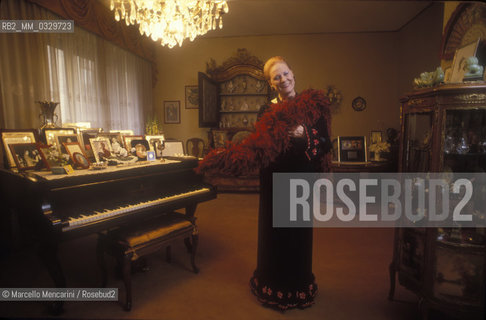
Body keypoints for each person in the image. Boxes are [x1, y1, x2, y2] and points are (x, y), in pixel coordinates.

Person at [196, 56, 332, 310]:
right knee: (273, 233)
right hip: (272, 178)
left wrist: (306, 135)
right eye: (276, 77)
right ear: (271, 84)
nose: (283, 79)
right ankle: (272, 282)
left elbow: (325, 144)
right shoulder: (265, 111)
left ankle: (296, 285)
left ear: (293, 73)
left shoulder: (313, 105)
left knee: (297, 234)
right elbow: (259, 145)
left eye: (285, 73)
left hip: (300, 177)